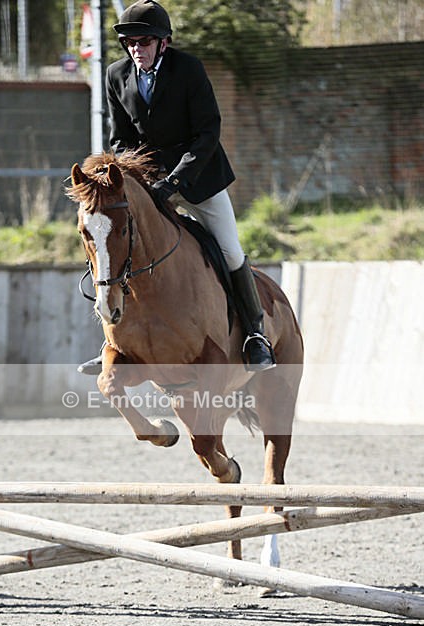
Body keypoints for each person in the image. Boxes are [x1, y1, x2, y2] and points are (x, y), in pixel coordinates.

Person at [78, 0, 275, 374]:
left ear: (162, 43)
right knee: (120, 245)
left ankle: (255, 335)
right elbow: (120, 140)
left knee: (230, 251)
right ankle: (114, 342)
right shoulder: (116, 75)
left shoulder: (188, 70)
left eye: (144, 42)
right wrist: (145, 182)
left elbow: (207, 133)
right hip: (150, 184)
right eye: (130, 43)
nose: (136, 49)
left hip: (199, 179)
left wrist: (175, 181)